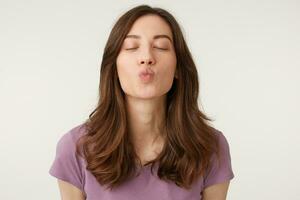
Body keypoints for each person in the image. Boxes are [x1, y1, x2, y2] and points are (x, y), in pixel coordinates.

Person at [49, 4, 234, 200]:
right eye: (131, 47)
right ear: (113, 68)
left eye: (161, 47)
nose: (146, 57)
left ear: (178, 67)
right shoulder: (75, 148)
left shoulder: (211, 147)